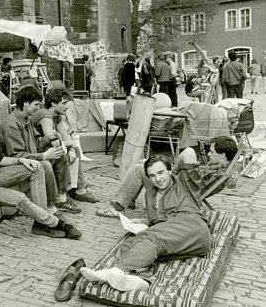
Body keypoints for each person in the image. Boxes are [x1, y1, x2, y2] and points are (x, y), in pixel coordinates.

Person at [81, 148, 233, 292]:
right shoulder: (150, 195)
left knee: (150, 236)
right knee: (129, 243)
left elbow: (189, 152)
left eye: (161, 172)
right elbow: (155, 219)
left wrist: (176, 171)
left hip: (193, 228)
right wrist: (143, 221)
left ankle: (115, 271)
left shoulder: (183, 183)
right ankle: (140, 281)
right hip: (174, 238)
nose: (158, 179)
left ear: (169, 170)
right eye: (152, 175)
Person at [0, 101, 81, 239]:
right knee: (19, 199)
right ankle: (54, 223)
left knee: (37, 166)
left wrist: (22, 160)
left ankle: (40, 223)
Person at [97, 135, 237, 218]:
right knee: (144, 163)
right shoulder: (222, 169)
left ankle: (117, 208)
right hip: (182, 185)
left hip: (178, 192)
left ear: (223, 155)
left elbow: (192, 187)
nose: (208, 154)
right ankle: (130, 198)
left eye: (212, 152)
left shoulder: (218, 175)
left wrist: (174, 173)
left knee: (139, 169)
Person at [0, 85, 82, 213]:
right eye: (36, 104)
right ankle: (50, 208)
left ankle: (61, 199)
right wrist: (43, 156)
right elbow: (16, 155)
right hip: (13, 164)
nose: (39, 108)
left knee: (59, 155)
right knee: (45, 165)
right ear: (26, 103)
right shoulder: (11, 124)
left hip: (29, 157)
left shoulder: (26, 119)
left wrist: (49, 139)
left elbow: (36, 142)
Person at [31, 87, 99, 203]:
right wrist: (71, 144)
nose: (67, 106)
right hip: (39, 150)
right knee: (61, 153)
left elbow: (64, 135)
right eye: (64, 103)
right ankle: (64, 194)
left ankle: (79, 189)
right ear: (53, 103)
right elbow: (53, 141)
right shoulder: (45, 115)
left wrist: (72, 148)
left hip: (47, 148)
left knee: (75, 150)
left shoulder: (57, 116)